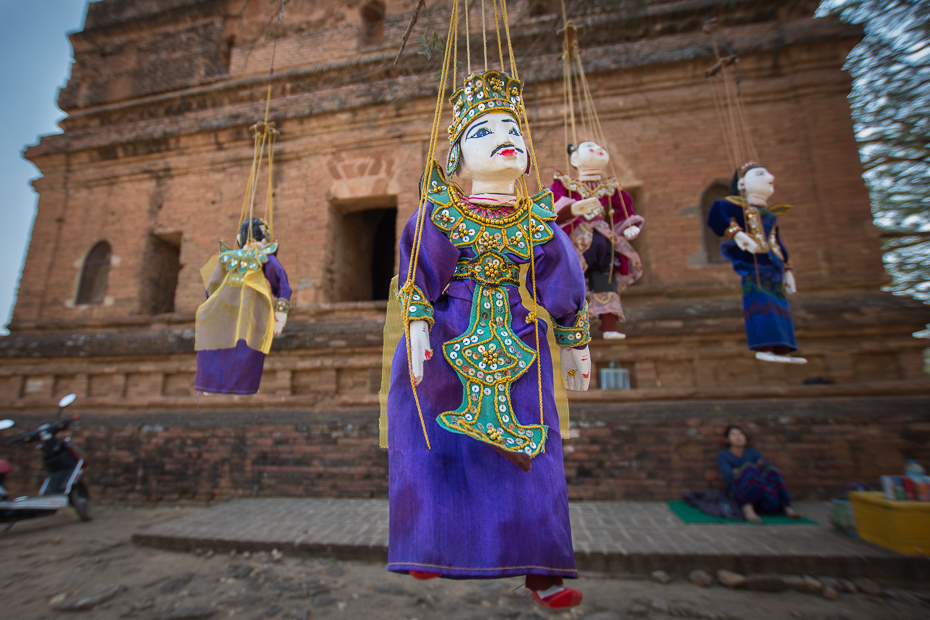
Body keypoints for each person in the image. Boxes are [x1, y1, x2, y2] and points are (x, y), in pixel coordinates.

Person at [384, 69, 591, 610]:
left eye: (513, 130)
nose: (506, 138)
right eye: (484, 131)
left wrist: (576, 341)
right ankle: (430, 545)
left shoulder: (540, 223)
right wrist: (417, 323)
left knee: (536, 450)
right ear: (456, 160)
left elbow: (561, 281)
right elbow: (417, 277)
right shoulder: (440, 214)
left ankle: (543, 570)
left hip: (521, 341)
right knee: (431, 439)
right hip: (446, 334)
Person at [706, 162, 806, 364]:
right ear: (742, 183)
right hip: (753, 267)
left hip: (773, 267)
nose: (770, 177)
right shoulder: (736, 206)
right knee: (761, 306)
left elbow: (777, 241)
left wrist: (788, 270)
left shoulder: (770, 214)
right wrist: (736, 234)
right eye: (761, 174)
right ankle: (765, 347)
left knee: (780, 309)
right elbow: (717, 212)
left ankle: (783, 350)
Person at [550, 142, 644, 339]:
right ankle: (567, 325)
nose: (598, 149)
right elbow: (552, 206)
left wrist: (629, 226)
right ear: (575, 159)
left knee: (606, 279)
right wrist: (573, 209)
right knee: (571, 279)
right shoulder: (565, 184)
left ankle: (609, 326)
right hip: (577, 240)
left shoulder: (610, 188)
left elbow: (623, 208)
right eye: (590, 146)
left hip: (603, 240)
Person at [194, 218, 291, 394]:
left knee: (219, 345)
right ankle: (232, 384)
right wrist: (280, 314)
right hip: (251, 308)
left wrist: (212, 304)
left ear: (239, 237)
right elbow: (281, 283)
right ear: (264, 238)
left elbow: (212, 287)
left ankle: (213, 384)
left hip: (223, 308)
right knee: (247, 346)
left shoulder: (227, 258)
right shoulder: (263, 257)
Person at [717, 425, 800, 522]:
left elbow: (763, 469)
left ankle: (787, 507)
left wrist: (740, 471)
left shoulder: (753, 453)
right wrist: (745, 471)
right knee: (749, 468)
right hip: (738, 492)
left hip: (759, 491)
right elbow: (729, 476)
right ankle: (748, 510)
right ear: (727, 440)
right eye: (733, 435)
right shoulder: (723, 455)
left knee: (770, 469)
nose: (738, 437)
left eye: (740, 434)